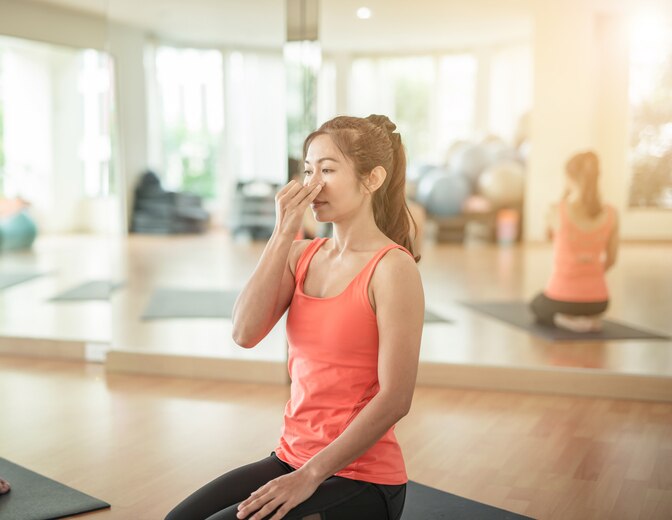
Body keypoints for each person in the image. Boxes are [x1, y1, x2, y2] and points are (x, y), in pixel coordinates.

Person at [165, 115, 425, 520]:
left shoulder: (392, 268)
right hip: (291, 458)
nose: (312, 184)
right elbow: (244, 333)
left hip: (361, 479)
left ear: (372, 179)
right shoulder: (300, 255)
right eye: (307, 170)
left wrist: (310, 476)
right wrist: (282, 232)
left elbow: (396, 399)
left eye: (327, 169)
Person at [530, 151, 619, 332]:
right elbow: (611, 260)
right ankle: (588, 318)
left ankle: (566, 319)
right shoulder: (612, 214)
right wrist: (589, 274)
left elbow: (545, 237)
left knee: (537, 305)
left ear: (568, 177)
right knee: (584, 304)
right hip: (599, 302)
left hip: (562, 298)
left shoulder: (556, 210)